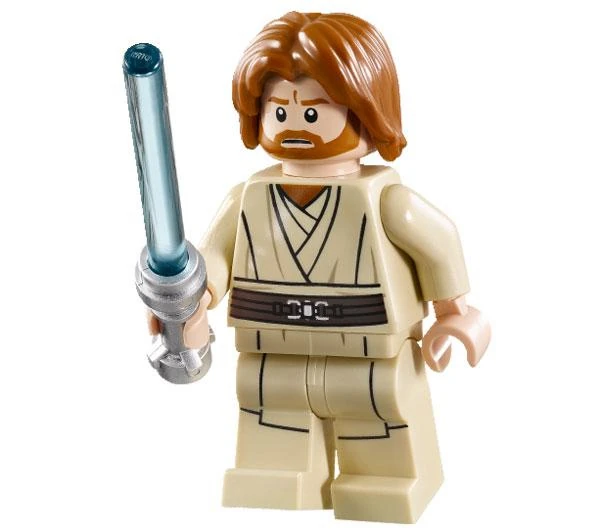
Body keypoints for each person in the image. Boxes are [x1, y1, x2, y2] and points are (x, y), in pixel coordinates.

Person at [153, 11, 491, 524]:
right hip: (271, 352)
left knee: (378, 428)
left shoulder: (387, 200)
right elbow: (216, 255)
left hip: (368, 354)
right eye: (279, 110)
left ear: (368, 111)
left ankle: (385, 482)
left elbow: (438, 243)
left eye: (312, 112)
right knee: (270, 427)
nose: (294, 125)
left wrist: (454, 313)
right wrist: (195, 297)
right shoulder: (247, 198)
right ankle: (275, 476)